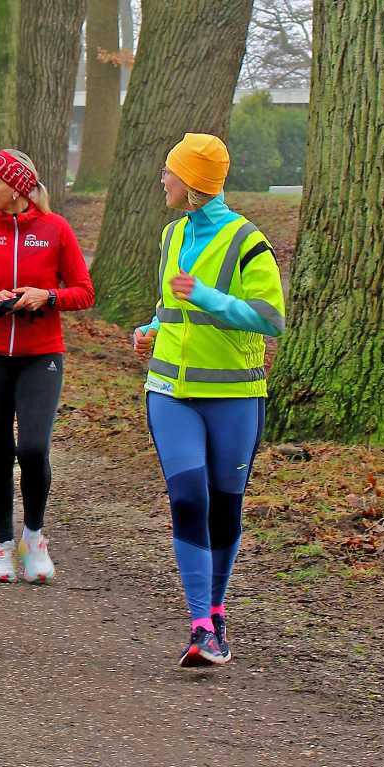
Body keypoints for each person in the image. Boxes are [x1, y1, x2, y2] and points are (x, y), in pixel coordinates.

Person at [132, 133, 285, 669]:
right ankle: (200, 625)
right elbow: (167, 304)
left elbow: (271, 319)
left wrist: (207, 296)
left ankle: (217, 610)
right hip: (171, 391)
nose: (163, 179)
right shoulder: (172, 233)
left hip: (235, 396)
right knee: (189, 498)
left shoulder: (249, 240)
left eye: (170, 172)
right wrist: (151, 327)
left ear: (194, 181)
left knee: (225, 504)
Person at [0, 148, 94, 584]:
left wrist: (48, 295)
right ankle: (3, 545)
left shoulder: (55, 229)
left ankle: (34, 537)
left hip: (42, 355)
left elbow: (84, 291)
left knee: (34, 448)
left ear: (17, 187)